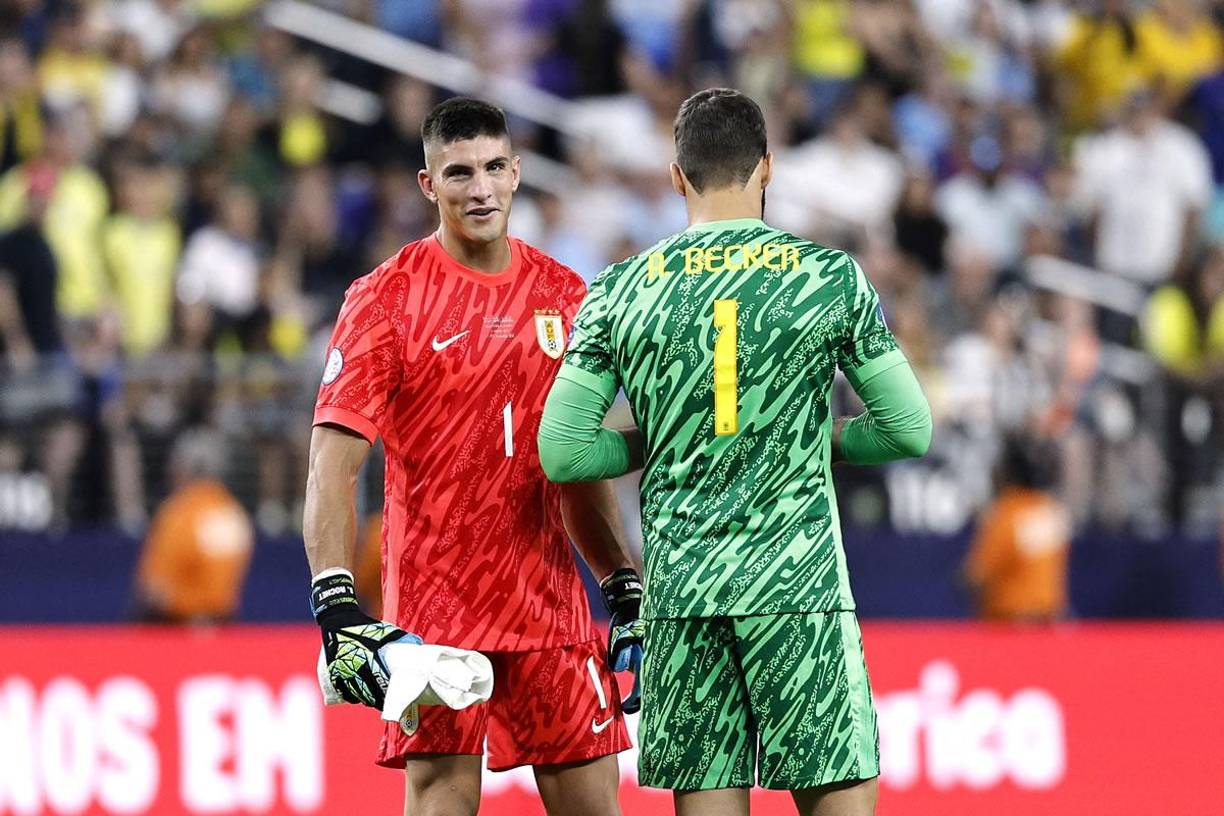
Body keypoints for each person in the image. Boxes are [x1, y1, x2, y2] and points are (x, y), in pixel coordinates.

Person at [538, 88, 933, 816]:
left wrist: (657, 438)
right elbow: (909, 428)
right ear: (768, 169)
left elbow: (561, 454)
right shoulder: (828, 278)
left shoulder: (620, 290)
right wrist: (819, 437)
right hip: (798, 592)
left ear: (676, 177)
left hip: (683, 597)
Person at [302, 97, 636, 816]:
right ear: (430, 186)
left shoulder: (567, 296)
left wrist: (621, 582)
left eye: (492, 168)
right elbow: (333, 463)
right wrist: (334, 603)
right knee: (440, 798)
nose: (479, 188)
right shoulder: (385, 299)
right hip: (437, 612)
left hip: (551, 606)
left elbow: (577, 468)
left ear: (517, 174)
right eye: (458, 173)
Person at [133, 429, 253, 623]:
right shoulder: (235, 514)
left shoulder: (178, 513)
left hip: (175, 626)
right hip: (222, 623)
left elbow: (155, 590)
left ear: (183, 468)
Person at [962, 437, 1071, 623]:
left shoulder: (1007, 513)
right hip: (1050, 619)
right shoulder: (1051, 510)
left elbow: (977, 575)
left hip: (1010, 623)